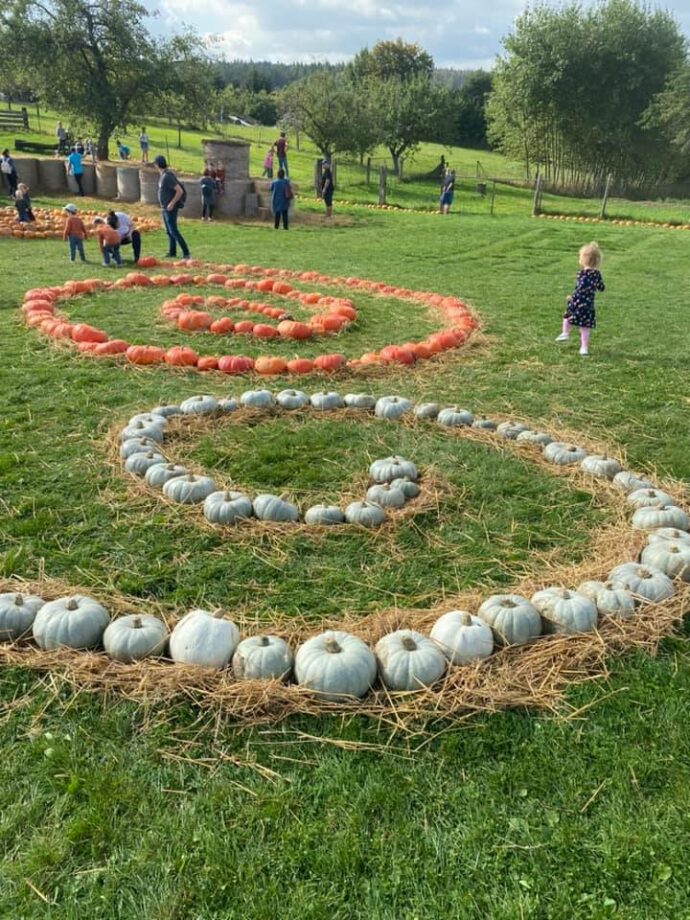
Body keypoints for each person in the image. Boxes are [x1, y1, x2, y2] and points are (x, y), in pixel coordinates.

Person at [555, 241, 605, 357]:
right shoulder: (597, 274)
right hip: (588, 304)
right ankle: (584, 348)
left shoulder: (581, 274)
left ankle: (565, 333)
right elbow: (601, 288)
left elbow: (580, 288)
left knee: (567, 316)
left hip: (577, 301)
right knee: (585, 326)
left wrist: (571, 297)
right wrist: (598, 286)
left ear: (583, 260)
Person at [153, 155, 191, 259]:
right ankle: (172, 251)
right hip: (164, 207)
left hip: (170, 208)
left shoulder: (168, 177)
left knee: (173, 230)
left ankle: (186, 253)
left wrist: (172, 203)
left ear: (158, 164)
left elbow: (179, 191)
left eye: (155, 164)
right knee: (168, 231)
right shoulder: (163, 175)